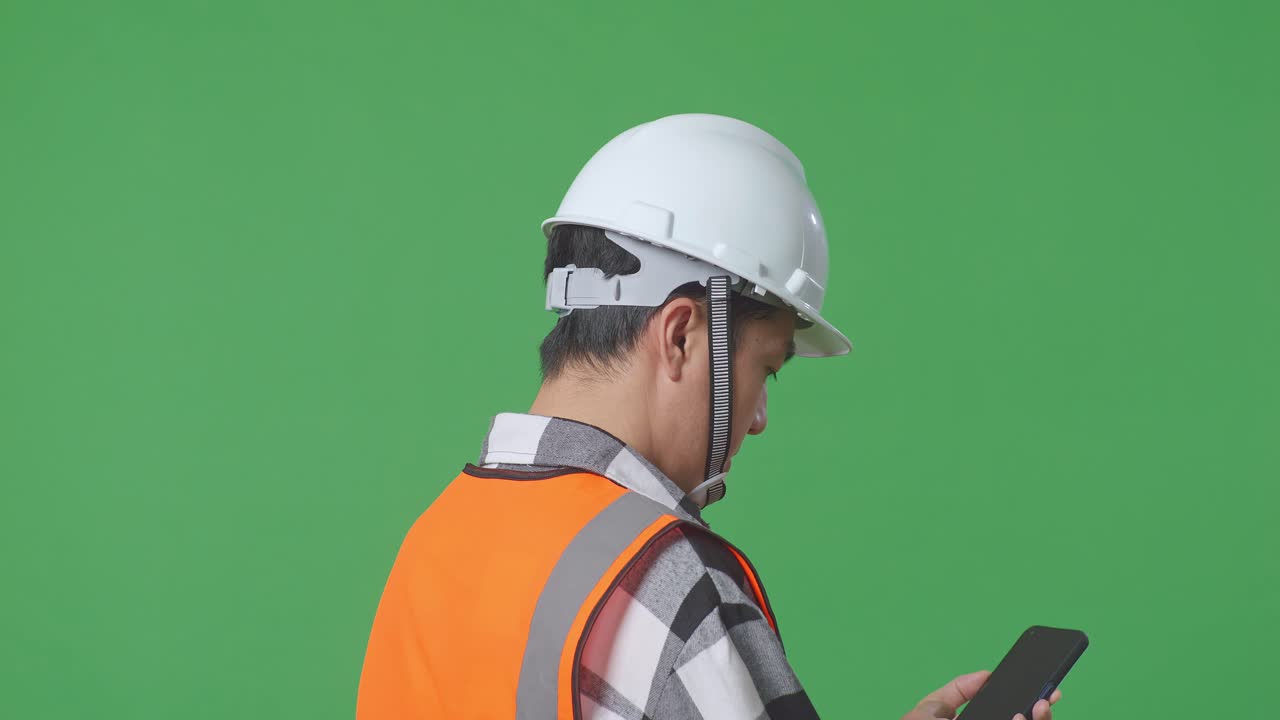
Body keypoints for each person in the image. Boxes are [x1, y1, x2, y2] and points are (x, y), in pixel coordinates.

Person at [355, 114, 1063, 720]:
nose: (757, 419)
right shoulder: (666, 583)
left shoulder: (435, 540)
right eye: (767, 369)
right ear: (682, 334)